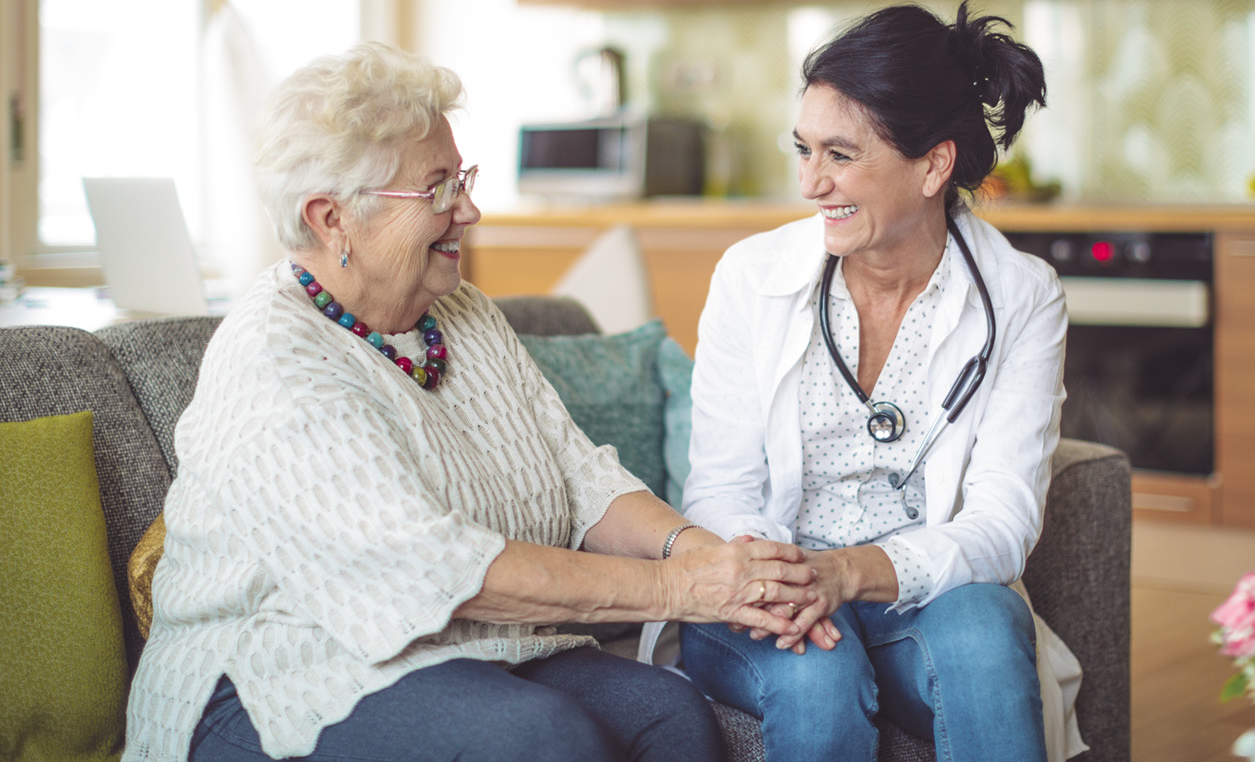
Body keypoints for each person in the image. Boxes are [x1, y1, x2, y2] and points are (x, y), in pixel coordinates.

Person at [123, 42, 818, 762]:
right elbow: (435, 570)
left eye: (462, 179)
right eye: (437, 191)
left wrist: (716, 557)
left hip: (461, 646)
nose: (470, 210)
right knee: (540, 739)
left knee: (667, 714)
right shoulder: (275, 359)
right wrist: (680, 589)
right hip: (277, 668)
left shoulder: (464, 316)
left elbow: (584, 479)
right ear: (331, 218)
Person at [679, 1, 1085, 762]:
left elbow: (1002, 524)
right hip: (768, 587)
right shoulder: (751, 277)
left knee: (988, 634)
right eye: (803, 149)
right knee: (817, 674)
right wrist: (793, 581)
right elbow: (720, 491)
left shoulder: (1022, 296)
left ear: (933, 165)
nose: (810, 183)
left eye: (840, 154)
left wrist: (850, 574)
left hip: (914, 594)